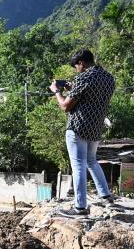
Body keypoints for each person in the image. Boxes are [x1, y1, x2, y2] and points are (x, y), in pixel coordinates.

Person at [49, 49, 115, 217]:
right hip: (95, 127)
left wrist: (57, 91)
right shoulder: (108, 78)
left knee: (78, 166)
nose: (76, 70)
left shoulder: (83, 78)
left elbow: (65, 106)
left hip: (78, 127)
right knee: (92, 161)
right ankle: (106, 196)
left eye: (76, 67)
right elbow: (92, 96)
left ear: (81, 63)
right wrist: (74, 87)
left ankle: (80, 207)